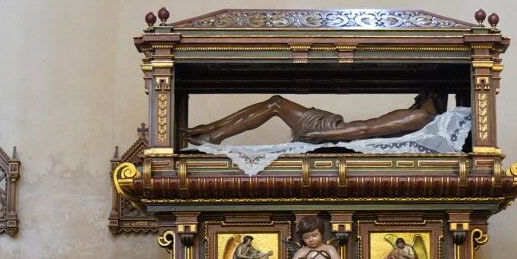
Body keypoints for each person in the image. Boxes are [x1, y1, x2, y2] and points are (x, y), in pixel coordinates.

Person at [183, 88, 446, 146]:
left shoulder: (419, 116)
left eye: (421, 95)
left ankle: (213, 135)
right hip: (334, 127)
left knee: (276, 103)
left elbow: (366, 129)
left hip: (333, 128)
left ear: (433, 96)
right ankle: (212, 132)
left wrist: (322, 134)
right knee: (275, 103)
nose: (416, 99)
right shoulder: (420, 115)